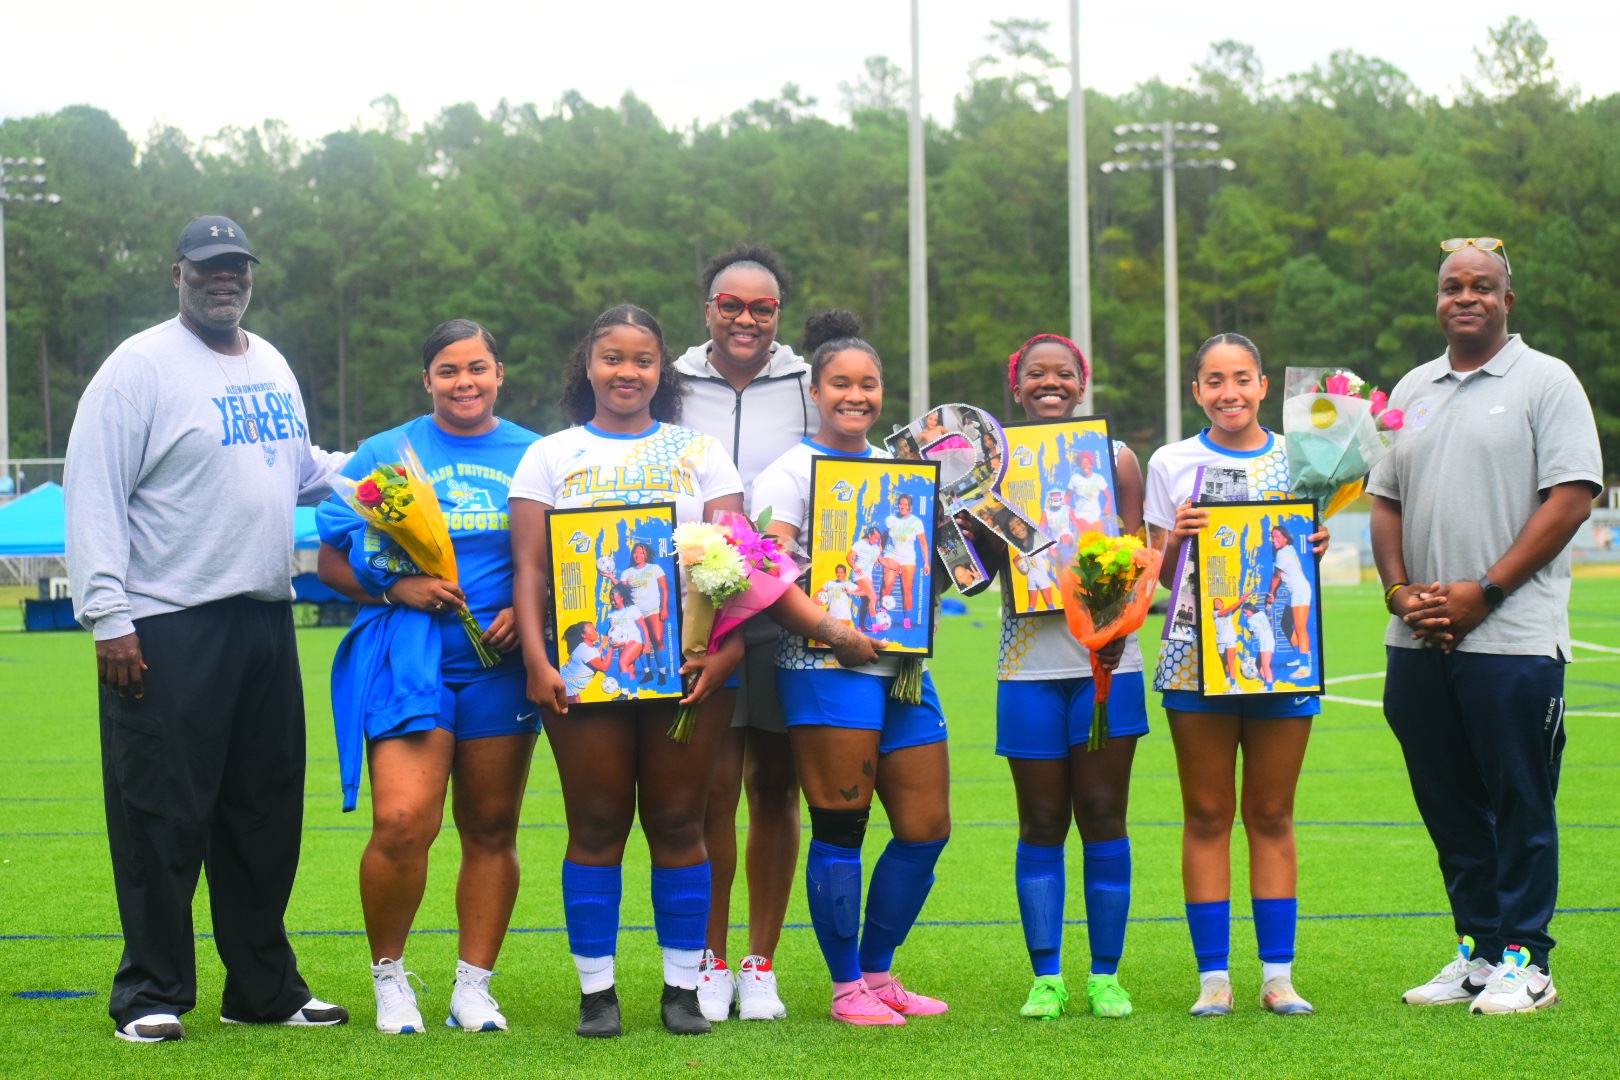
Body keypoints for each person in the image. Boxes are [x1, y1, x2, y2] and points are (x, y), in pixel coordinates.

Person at [509, 304, 878, 1038]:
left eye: (642, 360)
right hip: (589, 673)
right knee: (596, 824)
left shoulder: (699, 451)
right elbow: (530, 569)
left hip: (692, 672)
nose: (627, 372)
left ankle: (682, 988)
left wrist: (730, 651)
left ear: (661, 371)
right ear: (589, 366)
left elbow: (738, 563)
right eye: (612, 358)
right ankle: (597, 993)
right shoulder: (549, 455)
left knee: (681, 822)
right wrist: (537, 658)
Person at [64, 214, 349, 1043]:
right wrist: (108, 616)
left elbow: (301, 469)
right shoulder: (139, 367)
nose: (225, 281)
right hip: (166, 622)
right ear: (177, 275)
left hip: (262, 616)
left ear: (250, 277)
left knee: (263, 811)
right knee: (163, 813)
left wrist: (390, 471)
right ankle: (150, 991)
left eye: (237, 269)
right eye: (208, 269)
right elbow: (93, 491)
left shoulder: (270, 362)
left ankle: (261, 988)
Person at [1370, 238, 1600, 1015]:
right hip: (1419, 640)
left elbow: (1571, 497)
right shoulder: (1413, 388)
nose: (1465, 298)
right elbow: (1385, 499)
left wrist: (1486, 592)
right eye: (1450, 287)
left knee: (1519, 798)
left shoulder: (1547, 381)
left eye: (1481, 287)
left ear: (1508, 300)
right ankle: (1477, 950)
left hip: (1512, 637)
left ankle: (1528, 960)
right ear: (1437, 300)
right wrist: (1400, 592)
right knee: (1449, 802)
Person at [316, 319, 540, 1034]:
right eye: (448, 370)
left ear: (499, 373)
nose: (464, 382)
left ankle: (473, 987)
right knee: (404, 820)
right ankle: (391, 980)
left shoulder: (536, 454)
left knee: (491, 825)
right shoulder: (388, 451)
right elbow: (329, 561)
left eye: (477, 368)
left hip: (498, 668)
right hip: (410, 660)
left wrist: (523, 609)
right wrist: (394, 590)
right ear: (427, 381)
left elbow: (566, 557)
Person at [751, 310, 951, 1026]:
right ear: (815, 390)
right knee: (842, 827)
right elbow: (763, 572)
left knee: (927, 826)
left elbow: (930, 570)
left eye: (868, 384)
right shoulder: (791, 471)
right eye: (840, 383)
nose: (855, 395)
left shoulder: (902, 470)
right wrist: (831, 630)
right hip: (823, 665)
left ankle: (878, 970)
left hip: (901, 670)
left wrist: (961, 555)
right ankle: (844, 990)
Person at [1144, 332, 1329, 1019]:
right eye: (1215, 380)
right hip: (1198, 651)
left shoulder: (1299, 458)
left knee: (1273, 813)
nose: (1230, 392)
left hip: (1281, 656)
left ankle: (1278, 976)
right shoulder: (1172, 461)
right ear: (1197, 391)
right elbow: (1158, 569)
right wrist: (1177, 541)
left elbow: (1306, 549)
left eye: (1243, 378)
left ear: (1262, 386)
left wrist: (1315, 540)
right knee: (1208, 812)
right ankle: (1213, 977)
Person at [984, 334, 1148, 1021]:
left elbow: (1138, 556)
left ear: (1082, 383)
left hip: (1108, 663)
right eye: (1037, 375)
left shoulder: (1117, 459)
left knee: (1104, 816)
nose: (1051, 383)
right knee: (1043, 820)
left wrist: (1115, 632)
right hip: (1028, 664)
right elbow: (980, 572)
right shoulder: (994, 468)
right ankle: (1047, 975)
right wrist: (979, 510)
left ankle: (1104, 975)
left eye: (1065, 374)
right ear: (1016, 386)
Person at [675, 244, 815, 1021]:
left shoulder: (806, 383)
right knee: (710, 793)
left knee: (776, 787)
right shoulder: (672, 380)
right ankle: (709, 957)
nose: (746, 319)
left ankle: (760, 961)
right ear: (708, 309)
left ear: (779, 315)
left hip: (788, 607)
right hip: (702, 608)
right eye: (731, 304)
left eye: (762, 307)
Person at [1267, 525, 1314, 679]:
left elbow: (1276, 577)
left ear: (1285, 538)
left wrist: (1270, 595)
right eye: (1272, 537)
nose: (1274, 540)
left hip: (1299, 591)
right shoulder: (1288, 549)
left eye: (1277, 537)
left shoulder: (1282, 553)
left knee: (1300, 628)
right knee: (1285, 624)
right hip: (1294, 591)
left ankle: (1305, 666)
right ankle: (1300, 657)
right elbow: (1281, 576)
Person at [881, 493, 929, 629]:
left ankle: (907, 618)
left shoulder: (916, 522)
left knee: (907, 590)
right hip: (892, 555)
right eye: (900, 504)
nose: (902, 506)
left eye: (905, 504)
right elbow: (884, 538)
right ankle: (883, 616)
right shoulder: (890, 519)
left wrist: (926, 562)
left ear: (910, 507)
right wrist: (879, 555)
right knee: (887, 584)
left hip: (908, 559)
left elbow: (924, 543)